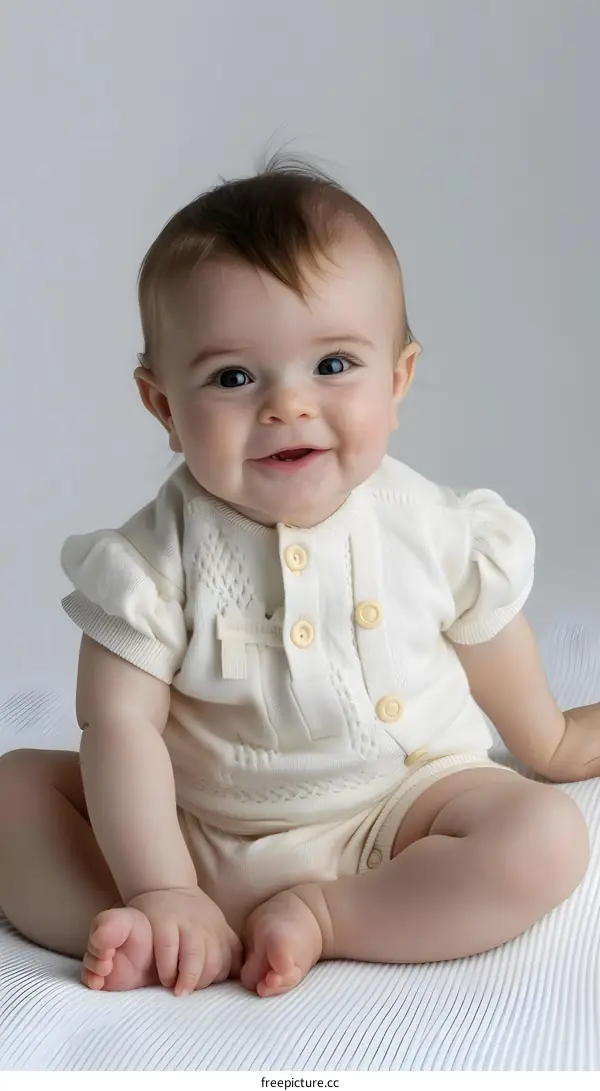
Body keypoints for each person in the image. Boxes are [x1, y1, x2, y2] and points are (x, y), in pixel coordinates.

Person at [0, 163, 596, 1000]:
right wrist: (160, 880)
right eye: (234, 378)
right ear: (163, 407)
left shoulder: (432, 522)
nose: (287, 404)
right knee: (13, 792)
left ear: (398, 380)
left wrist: (547, 742)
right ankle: (169, 927)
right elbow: (118, 723)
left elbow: (488, 629)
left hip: (402, 810)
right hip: (192, 833)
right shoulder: (152, 560)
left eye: (334, 364)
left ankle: (331, 914)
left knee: (546, 838)